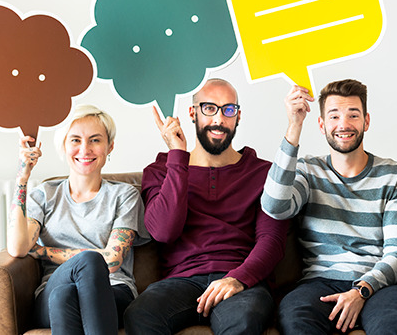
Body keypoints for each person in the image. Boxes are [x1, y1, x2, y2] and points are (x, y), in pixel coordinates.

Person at [123, 79, 288, 335]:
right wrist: (177, 156)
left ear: (238, 116)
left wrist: (238, 278)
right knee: (140, 314)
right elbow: (164, 232)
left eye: (228, 109)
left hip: (240, 282)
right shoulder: (160, 170)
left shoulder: (264, 173)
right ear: (193, 113)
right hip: (181, 281)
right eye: (209, 108)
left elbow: (272, 241)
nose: (219, 119)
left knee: (244, 322)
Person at [262, 79, 397, 335]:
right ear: (321, 124)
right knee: (294, 319)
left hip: (381, 286)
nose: (344, 124)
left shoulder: (395, 176)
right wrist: (294, 125)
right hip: (319, 283)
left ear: (366, 122)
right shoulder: (308, 171)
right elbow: (275, 206)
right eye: (334, 116)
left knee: (396, 321)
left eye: (353, 115)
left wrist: (361, 290)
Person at [6, 105, 147, 334]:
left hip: (113, 290)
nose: (85, 149)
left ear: (110, 146)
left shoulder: (125, 195)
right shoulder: (45, 195)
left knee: (80, 275)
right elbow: (17, 247)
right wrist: (22, 178)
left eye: (95, 140)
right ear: (64, 146)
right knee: (63, 291)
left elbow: (112, 261)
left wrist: (43, 252)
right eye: (75, 140)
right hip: (54, 288)